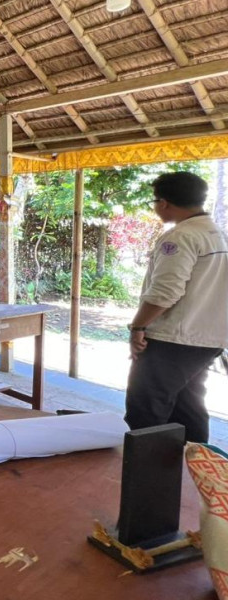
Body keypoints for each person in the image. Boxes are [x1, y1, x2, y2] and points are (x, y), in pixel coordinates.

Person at [126, 172, 228, 443]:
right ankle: (195, 463)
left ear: (164, 203)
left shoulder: (180, 237)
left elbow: (165, 293)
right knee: (188, 408)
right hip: (207, 338)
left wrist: (138, 327)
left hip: (174, 340)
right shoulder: (218, 234)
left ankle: (147, 468)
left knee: (145, 410)